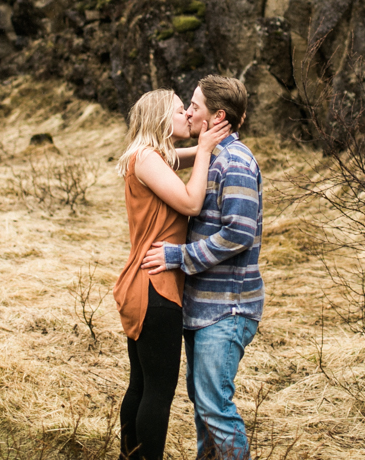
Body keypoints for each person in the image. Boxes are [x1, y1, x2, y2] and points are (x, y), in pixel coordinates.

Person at [142, 75, 263, 460]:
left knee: (215, 408)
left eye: (195, 106)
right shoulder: (214, 157)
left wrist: (177, 257)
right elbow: (160, 160)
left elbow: (239, 234)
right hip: (202, 308)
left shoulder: (237, 163)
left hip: (227, 309)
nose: (189, 111)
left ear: (217, 116)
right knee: (204, 409)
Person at [114, 89, 231, 460]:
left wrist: (211, 140)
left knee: (141, 384)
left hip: (143, 285)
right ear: (163, 119)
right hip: (155, 288)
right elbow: (192, 203)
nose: (188, 116)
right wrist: (208, 149)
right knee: (158, 392)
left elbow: (190, 154)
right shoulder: (147, 159)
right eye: (182, 110)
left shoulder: (151, 156)